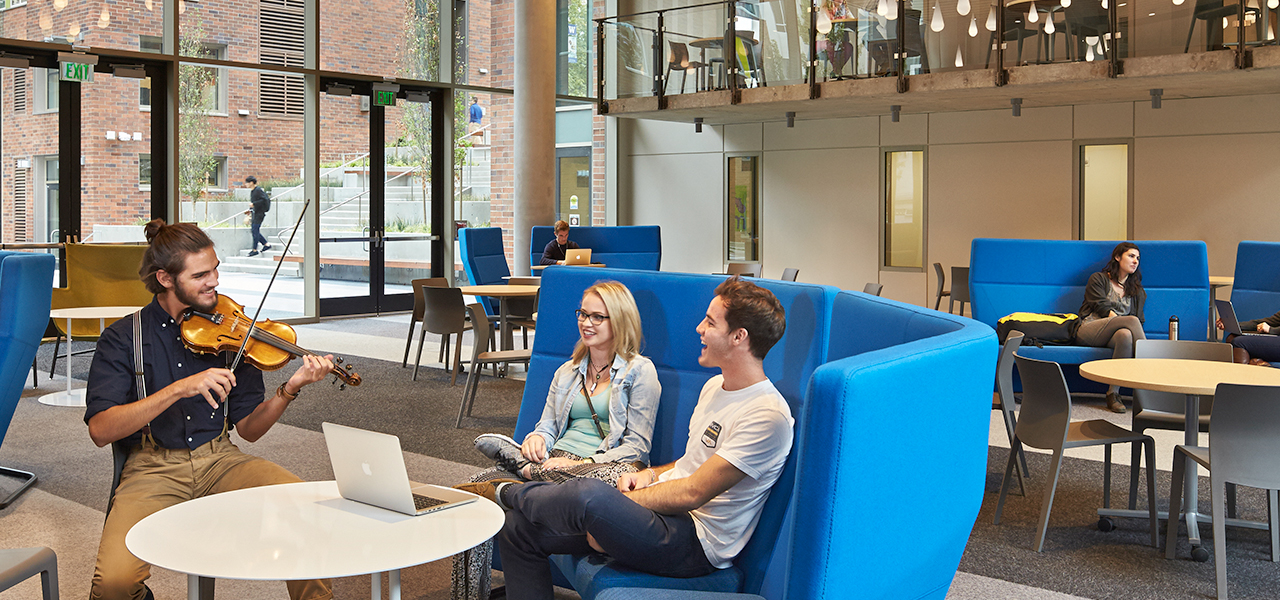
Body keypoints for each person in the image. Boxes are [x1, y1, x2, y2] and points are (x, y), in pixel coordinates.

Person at [462, 277, 793, 600]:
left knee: (591, 494)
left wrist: (614, 507)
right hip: (665, 517)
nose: (699, 329)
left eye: (710, 322)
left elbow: (694, 491)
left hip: (694, 542)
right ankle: (514, 497)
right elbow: (690, 464)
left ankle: (505, 492)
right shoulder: (714, 387)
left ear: (738, 336)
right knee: (518, 528)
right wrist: (648, 475)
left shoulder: (766, 415)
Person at [85, 220, 334, 600]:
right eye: (201, 274)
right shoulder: (123, 337)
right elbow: (101, 431)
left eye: (215, 269)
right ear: (166, 279)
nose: (214, 281)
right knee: (113, 585)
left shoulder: (233, 332)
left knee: (304, 508)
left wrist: (290, 388)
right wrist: (177, 390)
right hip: (153, 467)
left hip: (220, 459)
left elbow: (249, 428)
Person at [451, 280, 660, 600]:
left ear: (619, 319)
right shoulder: (569, 370)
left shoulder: (639, 372)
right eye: (582, 314)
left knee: (592, 481)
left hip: (602, 469)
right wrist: (536, 438)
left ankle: (523, 475)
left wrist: (585, 462)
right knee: (474, 488)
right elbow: (547, 426)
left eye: (597, 317)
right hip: (554, 461)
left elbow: (638, 448)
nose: (586, 323)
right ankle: (467, 596)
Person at [1076, 241, 1147, 413]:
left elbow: (1139, 319)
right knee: (1129, 322)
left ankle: (1112, 394)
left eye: (1138, 258)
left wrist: (1127, 324)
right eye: (1131, 256)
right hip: (1090, 329)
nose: (1135, 261)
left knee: (1125, 335)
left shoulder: (1137, 291)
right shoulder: (1099, 279)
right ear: (1117, 257)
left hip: (1114, 335)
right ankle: (1151, 368)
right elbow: (1101, 307)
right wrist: (1125, 321)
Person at [243, 176, 272, 257]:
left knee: (255, 230)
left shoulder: (258, 190)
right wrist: (250, 209)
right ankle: (266, 244)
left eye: (247, 182)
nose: (246, 184)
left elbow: (265, 199)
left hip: (260, 213)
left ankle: (255, 249)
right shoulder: (253, 191)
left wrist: (254, 204)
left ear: (251, 182)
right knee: (254, 230)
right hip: (255, 213)